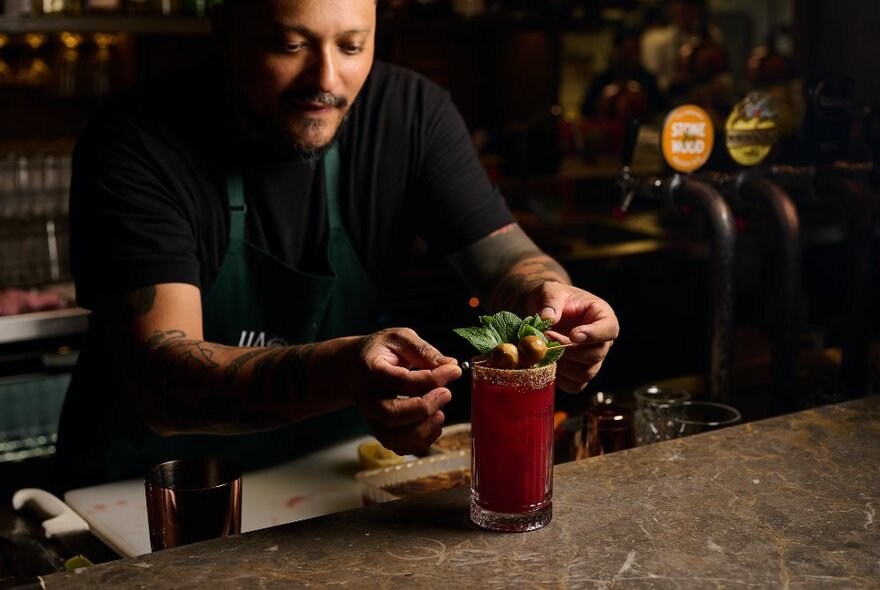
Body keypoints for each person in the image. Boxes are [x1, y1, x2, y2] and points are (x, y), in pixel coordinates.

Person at [55, 0, 620, 490]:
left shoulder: (412, 115)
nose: (324, 78)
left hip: (328, 485)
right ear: (224, 31)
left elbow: (505, 260)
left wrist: (548, 296)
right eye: (290, 44)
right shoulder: (136, 140)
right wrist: (345, 370)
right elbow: (165, 382)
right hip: (149, 491)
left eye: (352, 46)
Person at [581, 28, 666, 121]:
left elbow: (659, 111)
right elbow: (586, 111)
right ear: (616, 51)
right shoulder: (602, 79)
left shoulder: (648, 79)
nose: (631, 57)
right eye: (627, 51)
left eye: (635, 51)